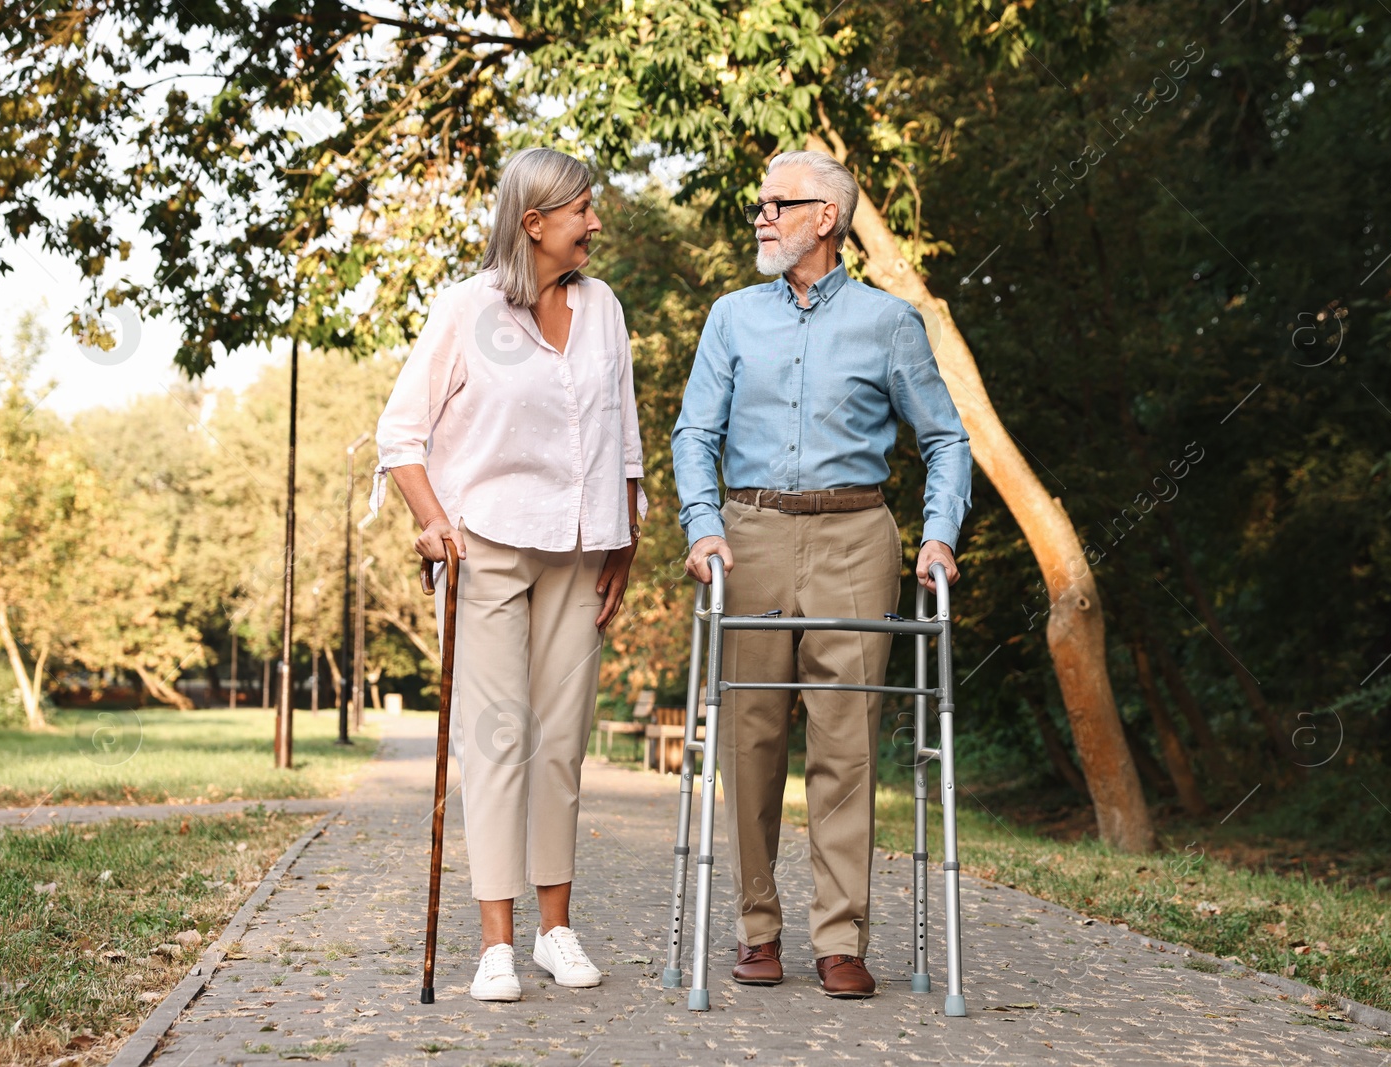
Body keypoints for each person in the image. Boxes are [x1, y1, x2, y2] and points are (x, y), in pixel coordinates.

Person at [671, 150, 971, 998]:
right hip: (752, 532)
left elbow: (945, 438)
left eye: (779, 203)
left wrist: (939, 535)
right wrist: (702, 524)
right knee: (753, 737)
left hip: (855, 536)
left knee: (845, 741)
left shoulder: (888, 323)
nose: (761, 216)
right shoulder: (731, 317)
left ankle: (841, 936)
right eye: (761, 203)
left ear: (825, 219)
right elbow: (695, 434)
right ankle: (756, 928)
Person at [372, 147, 645, 1003]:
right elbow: (400, 433)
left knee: (560, 741)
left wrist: (628, 541)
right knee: (495, 741)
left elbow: (624, 433)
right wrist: (430, 519)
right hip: (486, 544)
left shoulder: (603, 309)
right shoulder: (468, 310)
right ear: (534, 224)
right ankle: (495, 942)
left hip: (581, 543)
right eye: (581, 211)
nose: (595, 223)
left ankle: (554, 928)